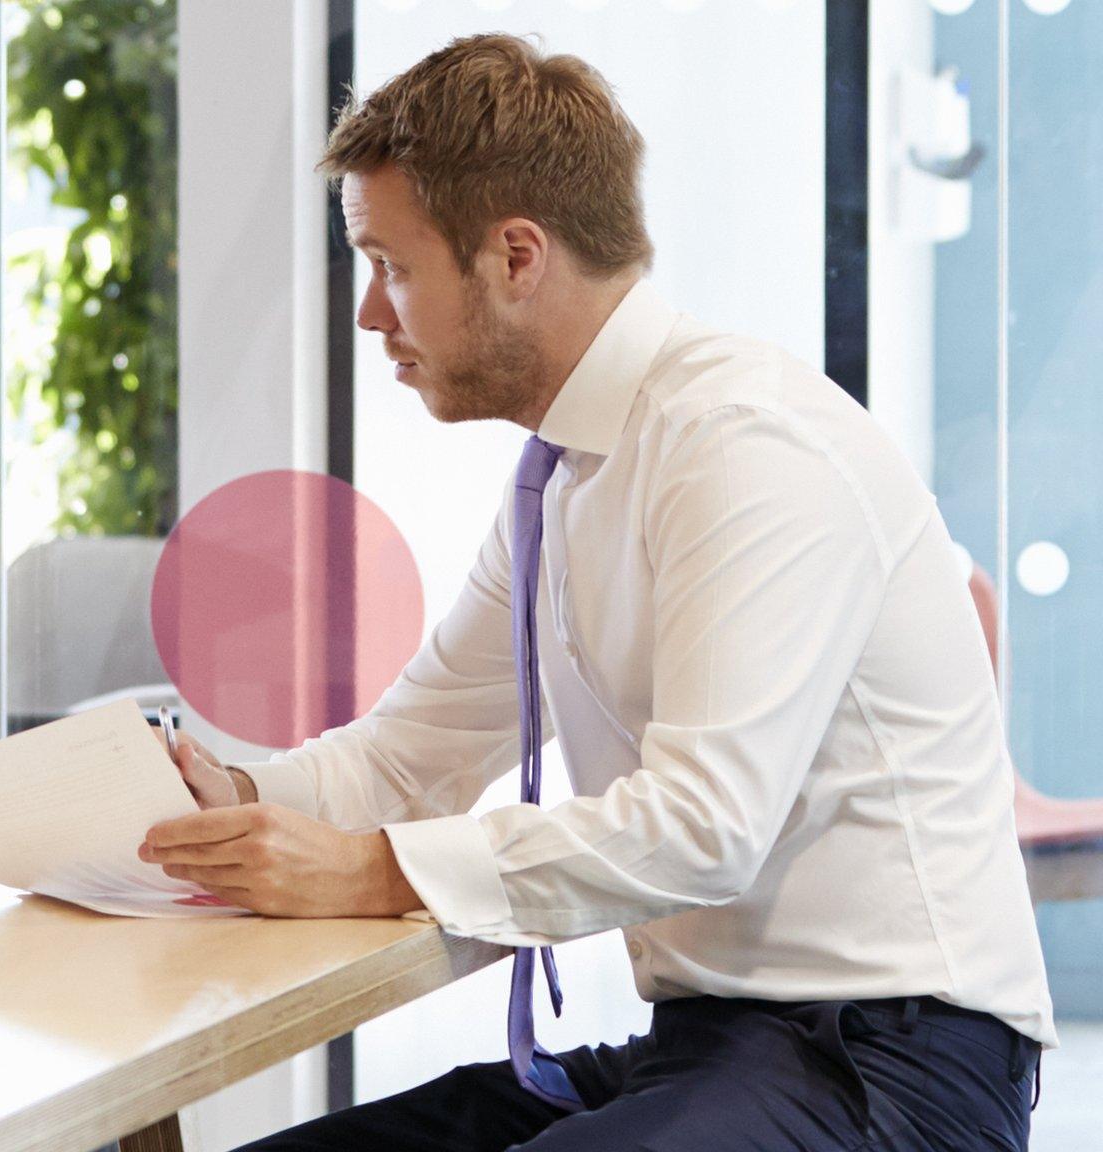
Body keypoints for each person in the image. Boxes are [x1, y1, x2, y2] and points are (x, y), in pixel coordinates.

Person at [141, 34, 1051, 1151]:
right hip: (715, 1047)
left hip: (893, 1065)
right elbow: (406, 757)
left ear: (515, 257)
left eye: (391, 264)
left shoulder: (738, 446)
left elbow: (700, 826)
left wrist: (370, 868)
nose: (372, 314)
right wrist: (231, 801)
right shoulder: (560, 477)